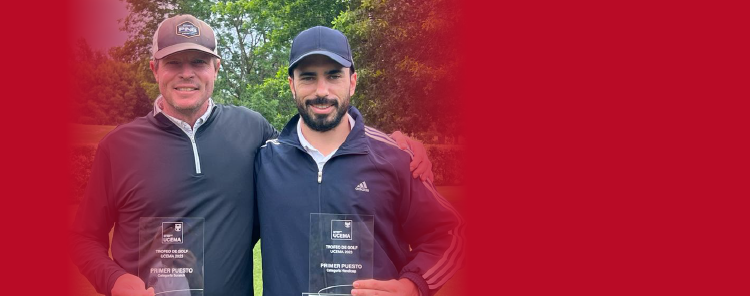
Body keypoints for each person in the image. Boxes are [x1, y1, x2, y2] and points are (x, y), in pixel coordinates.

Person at [71, 15, 433, 296]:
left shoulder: (252, 130)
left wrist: (398, 144)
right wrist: (115, 281)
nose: (186, 73)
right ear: (155, 69)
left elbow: (313, 148)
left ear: (215, 68)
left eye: (198, 62)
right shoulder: (117, 147)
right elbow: (83, 238)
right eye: (173, 63)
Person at [255, 26, 464, 296]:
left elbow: (449, 235)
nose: (322, 90)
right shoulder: (265, 162)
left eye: (333, 76)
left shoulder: (396, 158)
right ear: (291, 85)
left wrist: (412, 286)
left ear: (352, 82)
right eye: (308, 77)